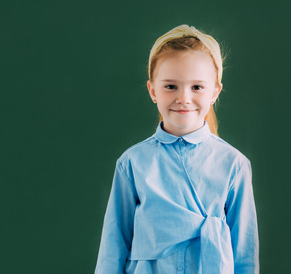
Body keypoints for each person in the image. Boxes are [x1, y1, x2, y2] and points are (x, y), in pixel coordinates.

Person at [94, 24, 259, 274]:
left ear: (215, 92)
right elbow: (113, 248)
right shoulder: (132, 163)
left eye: (197, 87)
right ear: (152, 90)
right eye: (171, 86)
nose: (183, 98)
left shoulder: (233, 163)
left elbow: (244, 254)